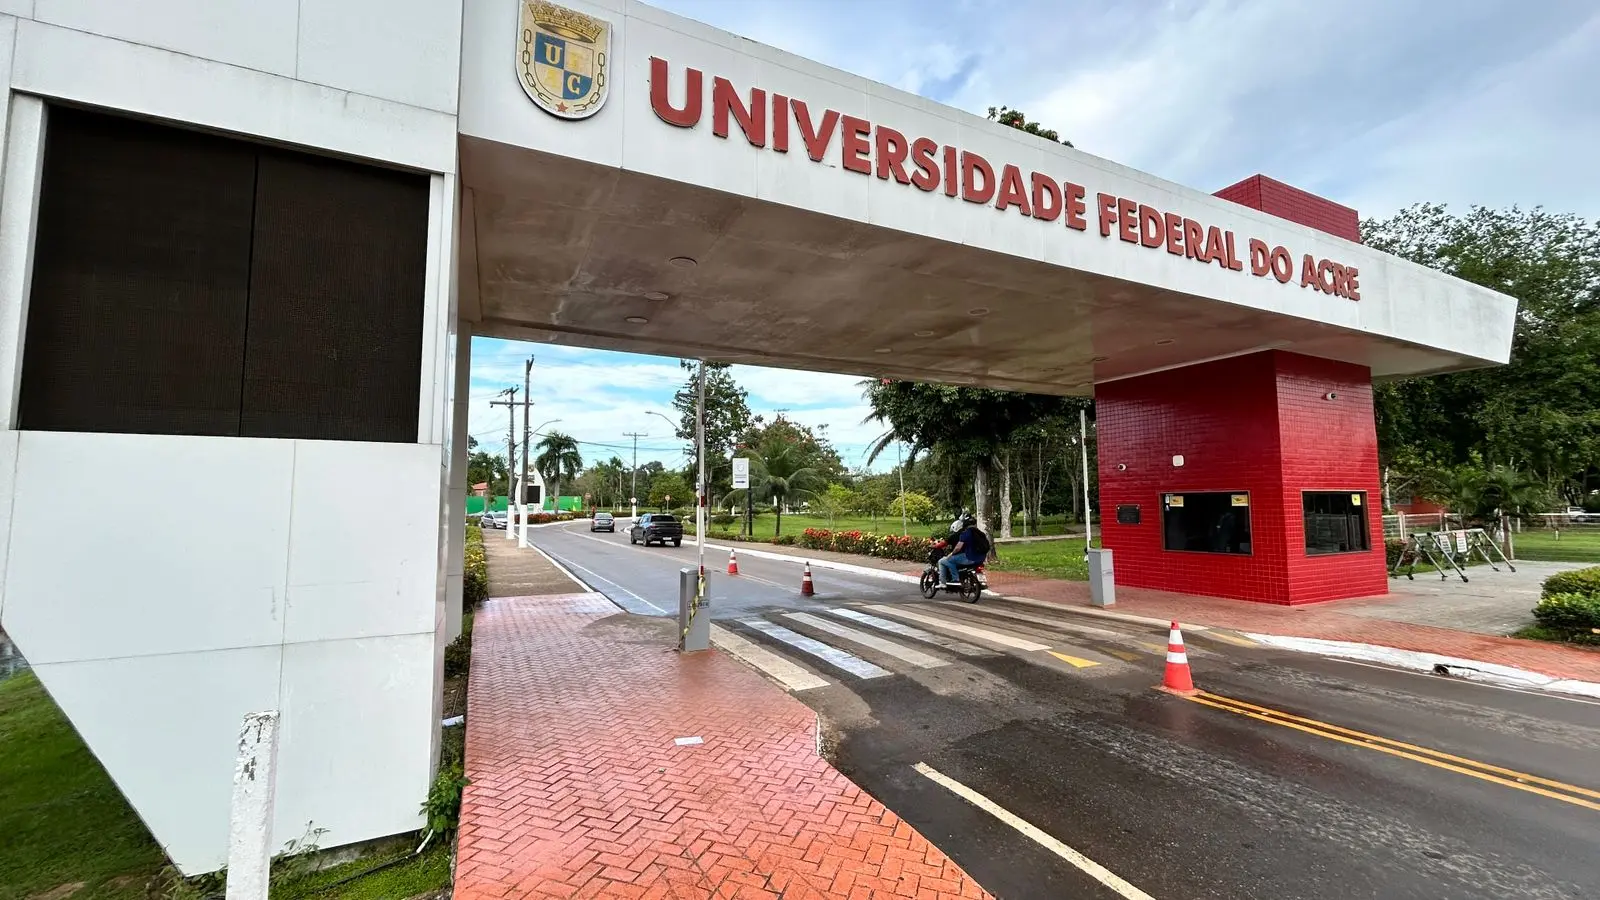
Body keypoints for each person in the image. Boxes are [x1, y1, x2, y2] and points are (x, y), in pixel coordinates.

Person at [940, 513, 990, 586]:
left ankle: (955, 579)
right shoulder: (981, 533)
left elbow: (957, 548)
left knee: (947, 560)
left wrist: (951, 554)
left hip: (970, 558)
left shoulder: (965, 533)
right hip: (981, 558)